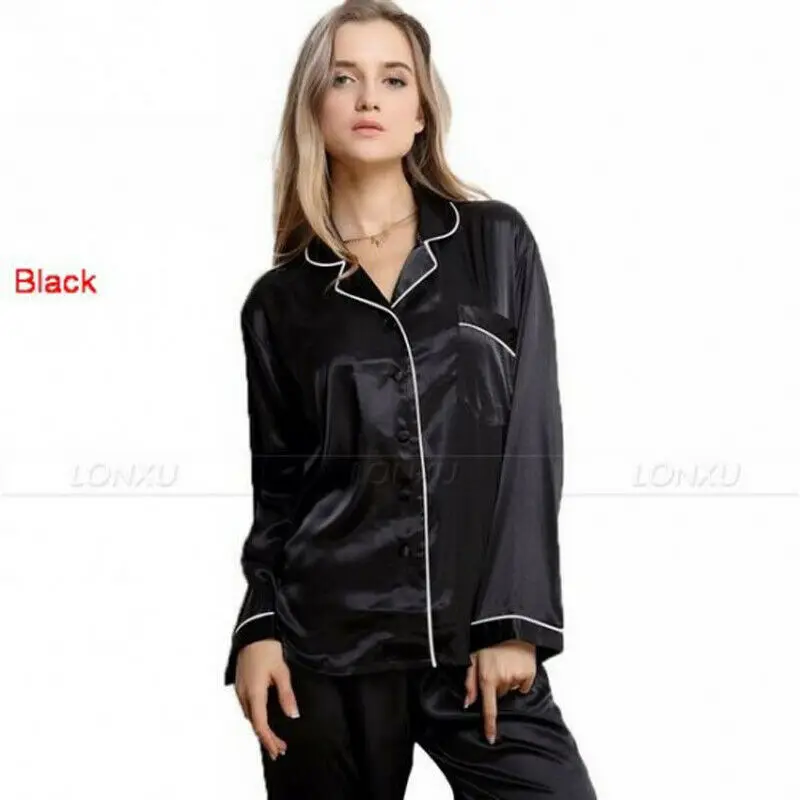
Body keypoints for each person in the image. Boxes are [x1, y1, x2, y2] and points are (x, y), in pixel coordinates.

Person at [223, 1, 597, 797]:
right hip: (324, 647)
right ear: (313, 107)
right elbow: (280, 492)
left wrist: (513, 623)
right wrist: (258, 628)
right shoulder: (279, 303)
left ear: (421, 111)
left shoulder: (494, 244)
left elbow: (532, 439)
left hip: (475, 640)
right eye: (343, 79)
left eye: (393, 79)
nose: (369, 98)